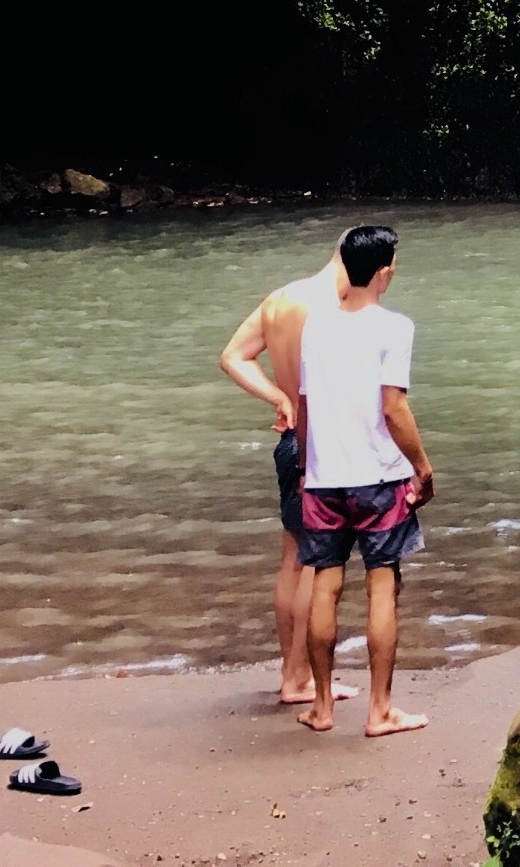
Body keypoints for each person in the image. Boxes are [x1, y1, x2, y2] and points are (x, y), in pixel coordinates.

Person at [295, 224, 436, 738]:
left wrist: (308, 467)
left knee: (325, 586)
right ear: (384, 271)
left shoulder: (315, 326)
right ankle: (379, 711)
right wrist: (422, 465)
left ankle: (324, 707)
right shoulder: (394, 327)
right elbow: (394, 407)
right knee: (383, 589)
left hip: (323, 477)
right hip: (378, 479)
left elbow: (305, 405)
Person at [218, 237, 355, 707]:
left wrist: (278, 397)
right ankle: (299, 679)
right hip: (319, 444)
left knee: (292, 557)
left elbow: (233, 357)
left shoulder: (281, 299)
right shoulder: (334, 309)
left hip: (288, 437)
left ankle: (291, 670)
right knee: (317, 562)